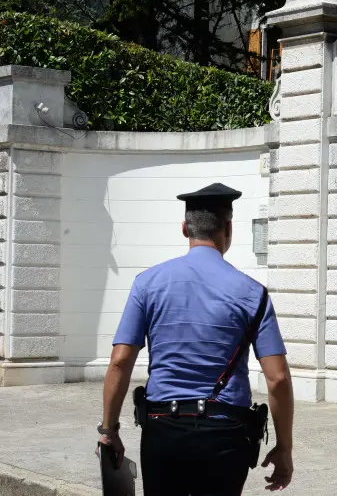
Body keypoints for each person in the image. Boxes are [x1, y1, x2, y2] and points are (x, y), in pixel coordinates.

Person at [96, 183, 295, 495]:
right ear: (228, 228)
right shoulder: (253, 294)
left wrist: (109, 431)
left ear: (184, 228)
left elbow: (120, 362)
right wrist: (284, 447)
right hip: (226, 435)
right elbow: (278, 379)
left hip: (163, 431)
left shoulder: (146, 284)